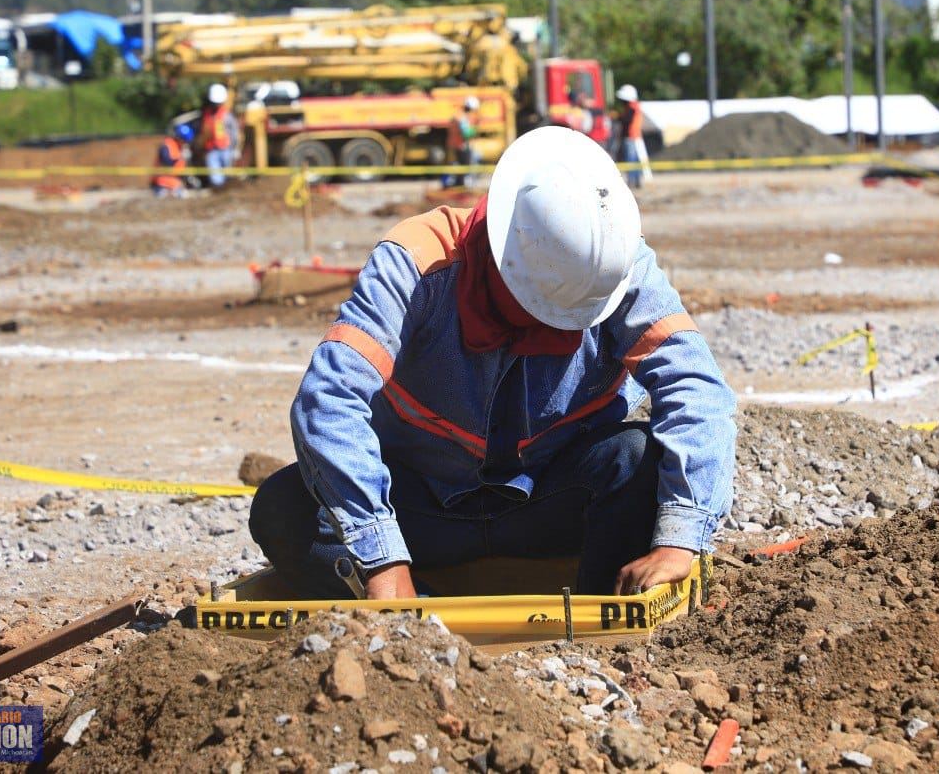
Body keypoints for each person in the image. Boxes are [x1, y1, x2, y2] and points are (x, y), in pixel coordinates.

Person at [249, 127, 737, 600]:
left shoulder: (614, 267)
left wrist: (679, 540)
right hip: (419, 507)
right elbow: (329, 398)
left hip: (553, 501)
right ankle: (422, 616)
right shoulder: (416, 261)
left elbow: (696, 384)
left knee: (636, 459)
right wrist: (381, 560)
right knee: (283, 509)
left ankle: (593, 626)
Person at [199, 83, 238, 189]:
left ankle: (227, 188)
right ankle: (219, 189)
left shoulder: (226, 115)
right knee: (215, 174)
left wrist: (235, 148)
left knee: (227, 171)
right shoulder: (206, 114)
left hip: (225, 148)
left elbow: (234, 132)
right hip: (211, 148)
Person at [444, 95, 480, 188]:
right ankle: (461, 186)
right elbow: (466, 133)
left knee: (455, 167)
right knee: (464, 167)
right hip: (461, 146)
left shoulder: (457, 115)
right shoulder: (462, 118)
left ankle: (455, 184)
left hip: (453, 145)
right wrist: (475, 130)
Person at [616, 84, 646, 189]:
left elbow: (626, 120)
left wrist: (618, 116)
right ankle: (636, 181)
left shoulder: (632, 108)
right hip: (634, 137)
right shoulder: (635, 107)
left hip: (631, 137)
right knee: (635, 160)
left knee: (631, 160)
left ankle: (632, 182)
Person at [150, 124, 193, 197]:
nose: (185, 144)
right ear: (179, 138)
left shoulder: (180, 148)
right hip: (161, 183)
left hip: (174, 183)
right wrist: (181, 158)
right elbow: (167, 163)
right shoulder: (167, 146)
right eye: (184, 141)